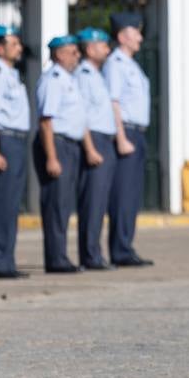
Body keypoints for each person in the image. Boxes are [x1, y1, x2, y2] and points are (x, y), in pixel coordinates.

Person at [35, 34, 88, 273]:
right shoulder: (53, 80)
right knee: (56, 205)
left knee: (64, 204)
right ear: (59, 54)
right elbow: (47, 121)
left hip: (70, 145)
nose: (77, 55)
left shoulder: (68, 79)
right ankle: (56, 259)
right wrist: (52, 156)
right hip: (57, 144)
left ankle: (61, 256)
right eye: (72, 51)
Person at [0, 24, 30, 279]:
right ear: (0, 48)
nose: (19, 48)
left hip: (16, 140)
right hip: (4, 140)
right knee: (2, 204)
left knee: (11, 205)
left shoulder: (10, 73)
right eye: (14, 44)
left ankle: (6, 260)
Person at [105, 12, 153, 267]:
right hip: (126, 132)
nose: (141, 38)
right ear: (123, 35)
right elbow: (112, 102)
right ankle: (120, 249)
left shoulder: (130, 64)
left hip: (137, 132)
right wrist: (121, 137)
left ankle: (126, 245)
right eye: (136, 32)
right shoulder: (115, 64)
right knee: (123, 195)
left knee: (132, 195)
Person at [74, 27, 114, 270]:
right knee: (92, 202)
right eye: (102, 45)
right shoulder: (84, 75)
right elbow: (82, 116)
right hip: (95, 141)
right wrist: (89, 148)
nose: (107, 50)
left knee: (99, 203)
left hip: (104, 140)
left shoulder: (97, 74)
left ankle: (94, 253)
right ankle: (90, 255)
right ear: (90, 49)